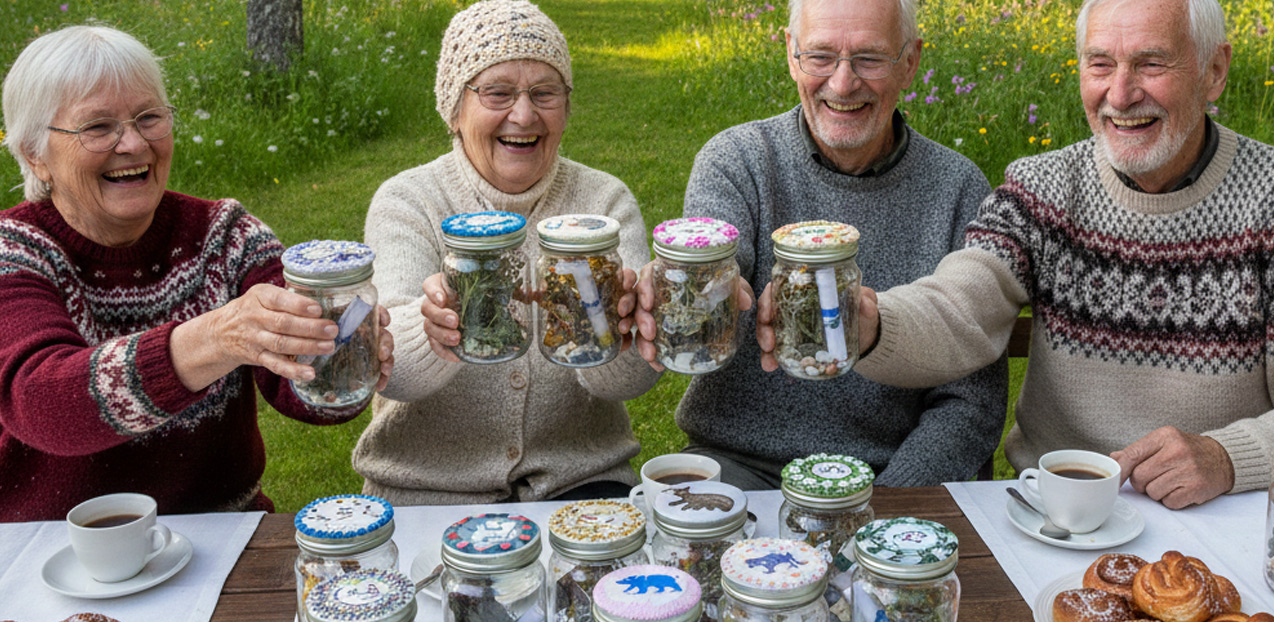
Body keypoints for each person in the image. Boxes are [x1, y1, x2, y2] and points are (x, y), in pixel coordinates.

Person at [849, 0, 1274, 509]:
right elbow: (960, 305)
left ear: (1214, 71)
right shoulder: (1043, 188)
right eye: (1100, 64)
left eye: (1151, 63)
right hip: (1055, 513)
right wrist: (868, 324)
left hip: (1222, 518)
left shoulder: (1270, 196)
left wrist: (1227, 456)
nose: (1120, 94)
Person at [0, 26, 394, 522]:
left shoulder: (225, 235)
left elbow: (305, 397)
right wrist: (217, 338)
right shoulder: (13, 251)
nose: (133, 143)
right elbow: (43, 403)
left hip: (217, 534)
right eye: (98, 127)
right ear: (36, 153)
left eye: (149, 118)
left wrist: (347, 356)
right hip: (52, 553)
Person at [636, 0, 1008, 489]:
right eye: (820, 56)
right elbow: (717, 263)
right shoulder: (737, 161)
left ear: (911, 62)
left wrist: (893, 503)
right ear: (791, 55)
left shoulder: (958, 188)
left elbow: (970, 400)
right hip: (743, 468)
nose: (842, 82)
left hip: (890, 477)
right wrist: (693, 286)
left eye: (869, 58)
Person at [352, 0, 660, 505]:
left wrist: (617, 330)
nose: (524, 114)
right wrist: (433, 329)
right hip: (427, 491)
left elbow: (628, 383)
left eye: (545, 93)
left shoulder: (603, 202)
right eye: (497, 92)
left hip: (581, 484)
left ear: (567, 104)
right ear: (454, 109)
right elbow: (389, 370)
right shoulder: (409, 200)